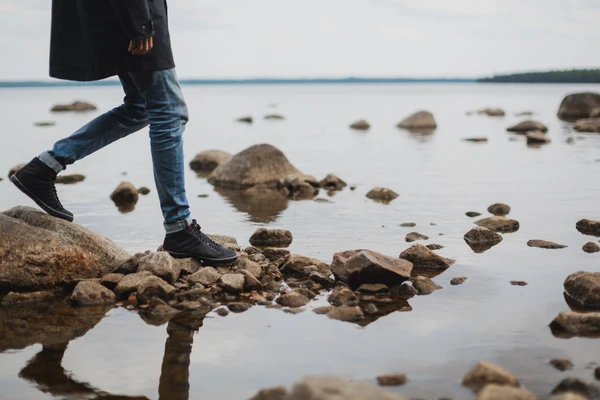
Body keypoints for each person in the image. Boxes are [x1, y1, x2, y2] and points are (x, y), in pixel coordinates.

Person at [10, 1, 237, 264]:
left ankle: (43, 167)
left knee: (139, 108)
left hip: (120, 13)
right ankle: (179, 228)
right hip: (133, 11)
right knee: (169, 112)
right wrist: (138, 21)